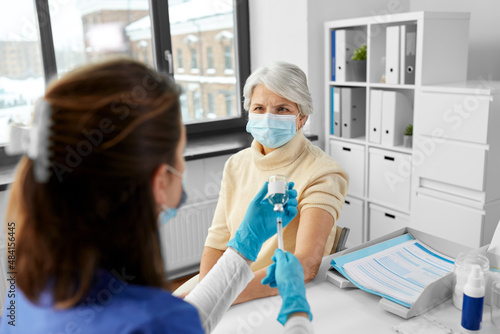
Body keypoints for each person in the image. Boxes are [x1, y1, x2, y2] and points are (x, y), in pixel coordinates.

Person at [0, 58, 313, 333]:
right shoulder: (153, 321)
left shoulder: (27, 292)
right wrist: (297, 311)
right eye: (180, 154)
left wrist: (244, 246)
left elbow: (183, 323)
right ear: (160, 180)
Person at [197, 61, 349, 304]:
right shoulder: (236, 164)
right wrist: (204, 295)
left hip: (273, 290)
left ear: (302, 118)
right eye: (259, 108)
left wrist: (215, 296)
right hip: (226, 282)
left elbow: (306, 265)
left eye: (282, 109)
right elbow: (217, 242)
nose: (268, 117)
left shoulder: (323, 173)